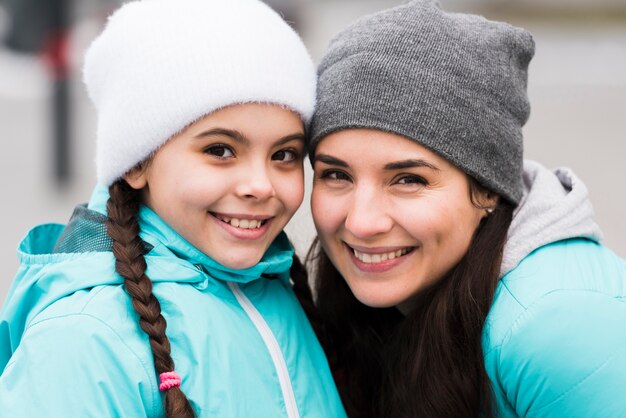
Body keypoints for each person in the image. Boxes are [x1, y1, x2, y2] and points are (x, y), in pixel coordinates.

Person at [0, 0, 346, 417]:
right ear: (137, 162)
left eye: (285, 154)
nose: (261, 185)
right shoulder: (84, 343)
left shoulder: (273, 292)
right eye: (220, 150)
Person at [306, 0, 626, 417]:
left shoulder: (555, 326)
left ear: (489, 190)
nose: (362, 222)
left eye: (409, 180)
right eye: (336, 175)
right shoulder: (384, 305)